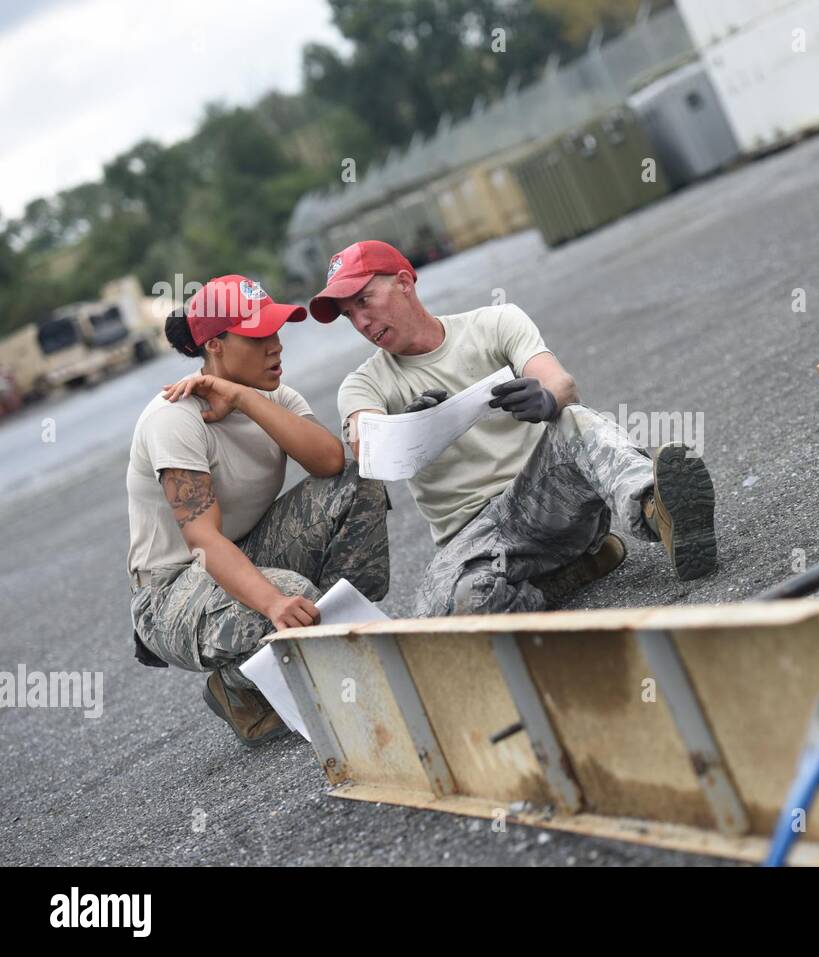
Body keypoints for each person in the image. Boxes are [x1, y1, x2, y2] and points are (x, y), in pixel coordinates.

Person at [310, 241, 718, 618]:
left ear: (402, 283)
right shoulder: (364, 383)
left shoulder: (495, 323)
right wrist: (404, 428)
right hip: (475, 541)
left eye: (364, 301)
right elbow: (367, 447)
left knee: (574, 419)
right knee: (448, 612)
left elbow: (562, 384)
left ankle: (659, 511)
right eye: (349, 315)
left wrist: (545, 400)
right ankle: (564, 579)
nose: (361, 322)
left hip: (547, 501)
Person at [125, 275, 390, 747]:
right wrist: (273, 602)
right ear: (216, 345)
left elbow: (330, 463)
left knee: (359, 485)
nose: (276, 346)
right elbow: (204, 541)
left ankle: (325, 646)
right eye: (258, 336)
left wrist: (245, 398)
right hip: (171, 592)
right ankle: (238, 685)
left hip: (247, 549)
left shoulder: (272, 396)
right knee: (289, 595)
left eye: (277, 331)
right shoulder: (174, 417)